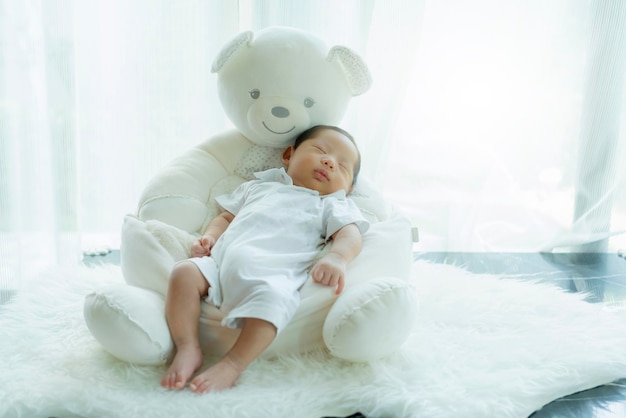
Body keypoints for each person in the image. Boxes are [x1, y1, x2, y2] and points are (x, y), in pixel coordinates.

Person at [160, 125, 369, 393]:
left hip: (272, 274)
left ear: (349, 188)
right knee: (183, 273)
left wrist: (338, 258)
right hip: (219, 264)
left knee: (273, 305)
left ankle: (234, 363)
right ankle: (187, 347)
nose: (329, 162)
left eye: (342, 166)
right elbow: (225, 218)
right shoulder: (258, 187)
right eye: (320, 151)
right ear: (288, 155)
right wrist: (210, 238)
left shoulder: (330, 204)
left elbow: (350, 235)